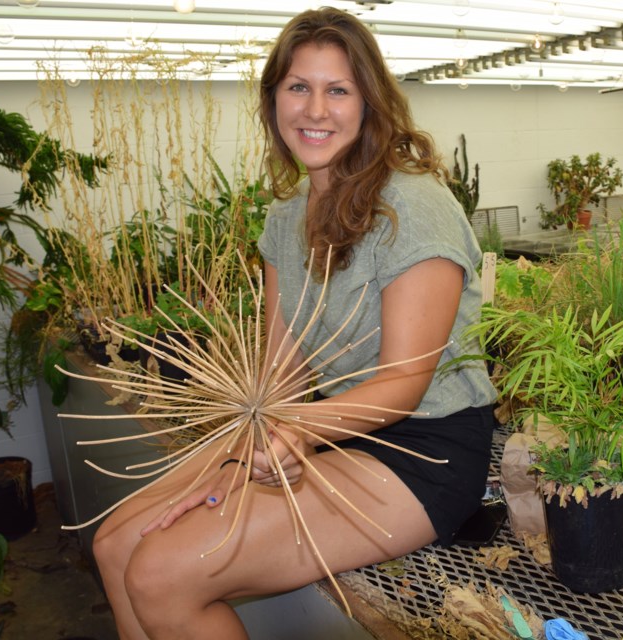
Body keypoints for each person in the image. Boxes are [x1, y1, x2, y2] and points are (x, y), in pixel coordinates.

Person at [91, 7, 497, 639]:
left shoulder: (415, 208)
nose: (315, 109)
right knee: (117, 543)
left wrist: (297, 430)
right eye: (298, 87)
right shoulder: (287, 216)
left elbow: (404, 382)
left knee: (161, 572)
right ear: (273, 98)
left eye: (338, 89)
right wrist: (237, 450)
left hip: (423, 450)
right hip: (333, 431)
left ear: (369, 102)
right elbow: (282, 367)